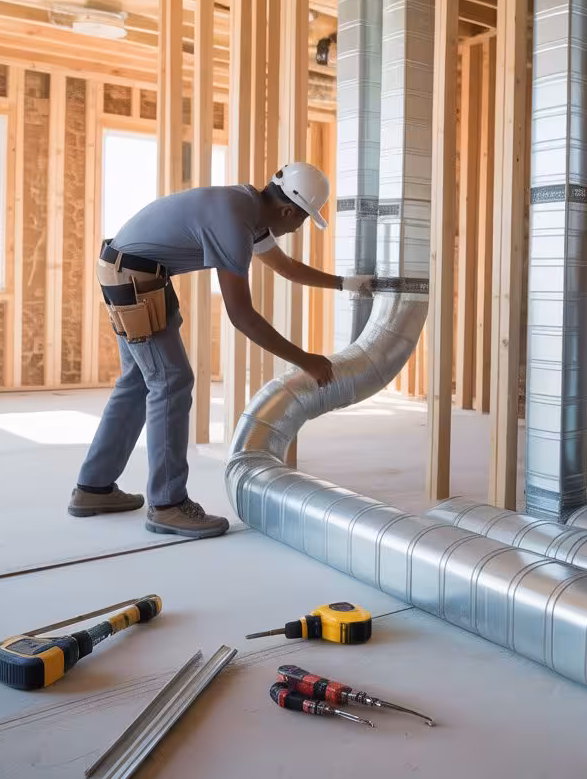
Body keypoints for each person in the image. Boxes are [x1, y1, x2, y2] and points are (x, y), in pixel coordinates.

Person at [68, 162, 372, 539]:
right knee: (171, 381)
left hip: (133, 271)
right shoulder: (235, 221)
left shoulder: (249, 208)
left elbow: (287, 269)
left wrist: (346, 284)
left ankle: (93, 489)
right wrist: (306, 360)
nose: (300, 227)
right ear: (288, 211)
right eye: (305, 219)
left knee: (139, 381)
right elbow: (241, 316)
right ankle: (167, 505)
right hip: (134, 276)